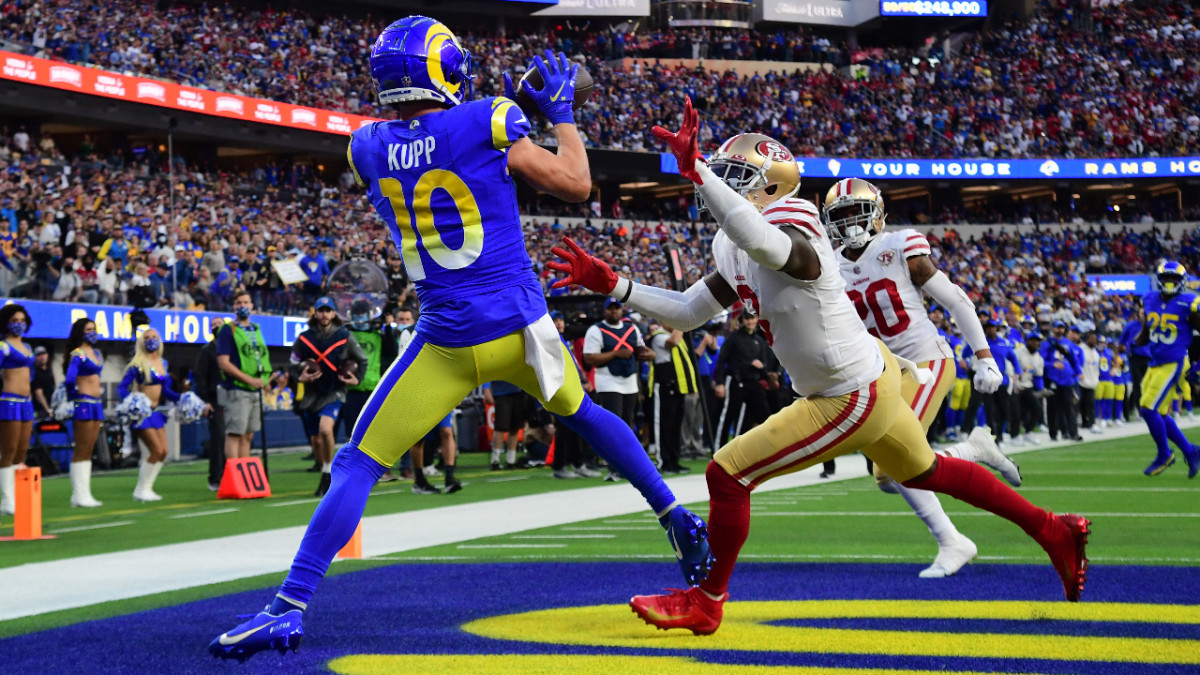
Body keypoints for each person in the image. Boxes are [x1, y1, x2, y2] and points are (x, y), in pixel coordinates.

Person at [212, 19, 710, 661]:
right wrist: (556, 113)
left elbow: (435, 141)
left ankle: (287, 606)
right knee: (583, 413)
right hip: (520, 329)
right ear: (440, 68)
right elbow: (576, 182)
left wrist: (502, 116)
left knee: (358, 464)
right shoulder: (492, 117)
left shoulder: (366, 146)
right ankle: (675, 519)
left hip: (444, 338)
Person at [550, 101, 1090, 635]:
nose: (718, 181)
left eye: (734, 175)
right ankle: (1053, 530)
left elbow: (773, 248)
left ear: (772, 186)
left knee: (726, 474)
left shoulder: (795, 217)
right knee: (926, 472)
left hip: (846, 391)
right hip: (863, 374)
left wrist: (698, 172)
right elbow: (690, 311)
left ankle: (707, 601)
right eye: (719, 172)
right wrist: (614, 284)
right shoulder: (730, 240)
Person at [827, 177, 1014, 579]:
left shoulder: (899, 246)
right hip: (884, 374)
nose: (849, 223)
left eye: (856, 212)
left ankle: (952, 541)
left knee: (896, 465)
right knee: (887, 478)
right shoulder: (829, 265)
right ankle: (974, 451)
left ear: (878, 215)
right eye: (840, 215)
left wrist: (983, 355)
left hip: (925, 360)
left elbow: (954, 298)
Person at [292, 296, 368, 497]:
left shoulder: (344, 336)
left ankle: (327, 474)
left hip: (334, 391)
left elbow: (362, 360)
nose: (324, 314)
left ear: (334, 313)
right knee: (316, 440)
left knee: (325, 430)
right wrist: (300, 373)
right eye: (321, 310)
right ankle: (324, 466)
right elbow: (293, 363)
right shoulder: (304, 338)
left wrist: (356, 380)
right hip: (311, 394)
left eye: (328, 310)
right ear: (315, 313)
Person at [118, 327, 202, 501]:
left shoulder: (163, 363)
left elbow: (165, 390)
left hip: (155, 412)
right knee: (155, 450)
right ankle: (141, 490)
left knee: (163, 451)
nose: (151, 340)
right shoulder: (137, 364)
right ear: (141, 342)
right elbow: (121, 388)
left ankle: (147, 488)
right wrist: (133, 401)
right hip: (142, 413)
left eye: (154, 337)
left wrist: (181, 398)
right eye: (147, 337)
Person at [1135, 261, 1200, 477]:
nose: (1169, 283)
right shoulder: (1149, 298)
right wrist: (1138, 341)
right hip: (1155, 360)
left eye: (1174, 279)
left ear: (1182, 282)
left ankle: (1165, 454)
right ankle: (1190, 451)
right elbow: (1148, 327)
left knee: (1147, 408)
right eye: (1166, 279)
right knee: (1159, 412)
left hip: (1176, 361)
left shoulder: (1190, 301)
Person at [583, 297, 654, 479]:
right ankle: (613, 466)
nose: (614, 312)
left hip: (629, 380)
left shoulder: (632, 329)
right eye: (610, 309)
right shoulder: (596, 330)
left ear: (622, 310)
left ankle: (628, 464)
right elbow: (589, 358)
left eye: (617, 308)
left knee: (628, 423)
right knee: (614, 425)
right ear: (604, 311)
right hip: (608, 381)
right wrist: (616, 353)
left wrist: (644, 354)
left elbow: (642, 349)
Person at [216, 291, 272, 464]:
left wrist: (265, 379)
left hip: (256, 389)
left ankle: (244, 478)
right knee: (235, 434)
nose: (242, 306)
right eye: (239, 303)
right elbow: (224, 363)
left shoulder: (256, 329)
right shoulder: (227, 330)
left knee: (248, 435)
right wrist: (250, 380)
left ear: (252, 305)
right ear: (233, 307)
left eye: (246, 302)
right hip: (237, 389)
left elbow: (261, 358)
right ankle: (234, 477)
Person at [342, 299, 400, 443]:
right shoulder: (345, 335)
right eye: (357, 314)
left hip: (374, 389)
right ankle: (355, 465)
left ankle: (375, 465)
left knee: (376, 433)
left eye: (363, 313)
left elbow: (392, 350)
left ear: (369, 315)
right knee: (352, 434)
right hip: (350, 389)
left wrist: (387, 326)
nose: (359, 317)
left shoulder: (378, 335)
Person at [63, 318, 105, 508]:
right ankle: (78, 494)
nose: (92, 332)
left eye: (94, 329)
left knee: (89, 449)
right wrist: (74, 395)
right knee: (82, 448)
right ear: (80, 332)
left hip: (96, 403)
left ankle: (85, 492)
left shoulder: (95, 352)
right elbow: (70, 379)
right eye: (88, 329)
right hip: (84, 403)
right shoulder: (77, 354)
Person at [647, 321, 698, 474]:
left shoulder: (674, 335)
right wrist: (681, 324)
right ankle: (663, 462)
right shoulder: (659, 336)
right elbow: (673, 342)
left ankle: (674, 461)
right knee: (663, 426)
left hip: (677, 387)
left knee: (676, 426)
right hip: (663, 386)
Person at [713, 312, 771, 445]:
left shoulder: (759, 341)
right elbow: (722, 360)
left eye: (752, 318)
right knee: (728, 416)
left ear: (756, 320)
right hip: (735, 382)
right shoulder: (733, 338)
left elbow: (765, 363)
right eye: (747, 319)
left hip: (753, 382)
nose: (750, 322)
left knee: (764, 416)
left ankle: (741, 449)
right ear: (742, 320)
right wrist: (720, 383)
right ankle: (718, 449)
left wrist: (762, 367)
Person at [0, 304, 35, 516]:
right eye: (14, 320)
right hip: (9, 401)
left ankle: (14, 495)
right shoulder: (3, 346)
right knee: (9, 450)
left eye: (22, 320)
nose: (19, 324)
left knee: (22, 451)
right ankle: (7, 500)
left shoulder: (28, 347)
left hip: (26, 402)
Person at [194, 331, 227, 491]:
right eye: (213, 325)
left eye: (219, 324)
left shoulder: (231, 347)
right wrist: (205, 401)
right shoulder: (207, 350)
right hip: (215, 400)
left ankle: (231, 475)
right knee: (219, 438)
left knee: (235, 437)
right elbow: (200, 377)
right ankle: (215, 477)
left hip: (232, 398)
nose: (216, 327)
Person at [1040, 320, 1082, 442]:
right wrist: (1052, 364)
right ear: (1053, 329)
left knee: (1069, 407)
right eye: (1057, 327)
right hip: (1052, 379)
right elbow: (1041, 361)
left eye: (1061, 328)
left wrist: (1078, 373)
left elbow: (1074, 360)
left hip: (1067, 380)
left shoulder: (1068, 343)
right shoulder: (1047, 344)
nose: (1059, 330)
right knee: (1053, 408)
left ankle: (1073, 433)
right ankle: (1053, 433)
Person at [484, 380, 527, 471]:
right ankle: (495, 460)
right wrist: (486, 389)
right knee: (500, 427)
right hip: (501, 392)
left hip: (518, 390)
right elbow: (488, 370)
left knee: (515, 427)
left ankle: (511, 460)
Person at [31, 345, 54, 418]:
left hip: (51, 408)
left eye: (43, 354)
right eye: (38, 355)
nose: (42, 357)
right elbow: (39, 395)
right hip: (41, 410)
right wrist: (48, 410)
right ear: (34, 358)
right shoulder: (35, 373)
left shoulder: (49, 371)